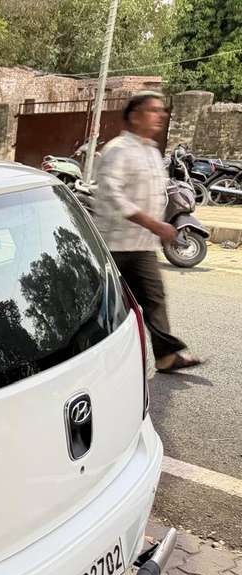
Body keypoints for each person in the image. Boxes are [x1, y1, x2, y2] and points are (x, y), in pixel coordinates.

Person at [94, 92, 203, 373]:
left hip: (142, 245)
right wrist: (154, 224)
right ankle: (94, 362)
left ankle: (166, 356)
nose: (161, 115)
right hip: (114, 244)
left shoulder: (153, 152)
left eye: (161, 110)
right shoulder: (118, 149)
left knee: (154, 299)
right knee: (106, 306)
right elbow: (112, 196)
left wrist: (163, 224)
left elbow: (158, 194)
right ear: (134, 115)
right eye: (153, 110)